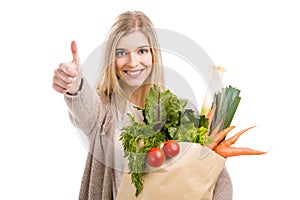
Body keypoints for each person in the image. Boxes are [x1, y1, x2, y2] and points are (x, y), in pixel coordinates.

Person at [52, 11, 233, 200]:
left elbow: (218, 178)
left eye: (142, 51)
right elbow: (85, 111)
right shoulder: (105, 111)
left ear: (154, 54)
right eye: (121, 53)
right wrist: (75, 86)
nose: (133, 62)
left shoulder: (182, 111)